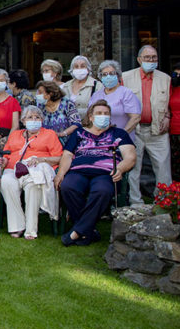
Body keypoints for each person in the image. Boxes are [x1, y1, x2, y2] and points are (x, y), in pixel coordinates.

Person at [54, 100, 136, 246]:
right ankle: (88, 231)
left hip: (105, 173)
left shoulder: (119, 133)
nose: (103, 116)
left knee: (102, 191)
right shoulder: (79, 133)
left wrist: (121, 168)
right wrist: (60, 174)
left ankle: (77, 232)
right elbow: (67, 155)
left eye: (106, 113)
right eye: (99, 113)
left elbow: (130, 157)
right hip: (78, 171)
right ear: (91, 117)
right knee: (68, 187)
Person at [0, 106, 62, 240]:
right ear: (23, 121)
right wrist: (3, 161)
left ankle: (31, 229)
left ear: (42, 120)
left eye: (37, 117)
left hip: (35, 170)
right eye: (30, 117)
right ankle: (17, 225)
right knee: (6, 181)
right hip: (13, 169)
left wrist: (41, 159)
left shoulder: (49, 134)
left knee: (33, 185)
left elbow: (59, 157)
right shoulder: (15, 135)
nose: (34, 120)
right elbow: (7, 154)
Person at [121, 45, 172, 204]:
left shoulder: (165, 79)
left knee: (163, 169)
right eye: (147, 57)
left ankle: (163, 201)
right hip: (134, 130)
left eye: (154, 57)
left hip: (158, 131)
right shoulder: (126, 77)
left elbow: (170, 103)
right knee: (133, 168)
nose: (151, 60)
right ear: (139, 60)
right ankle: (135, 202)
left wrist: (168, 116)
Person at [89, 60, 141, 141]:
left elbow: (135, 118)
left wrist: (121, 135)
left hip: (122, 140)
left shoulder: (126, 93)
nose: (108, 76)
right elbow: (89, 117)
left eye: (111, 73)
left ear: (118, 75)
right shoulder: (96, 95)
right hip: (100, 140)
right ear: (101, 77)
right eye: (104, 74)